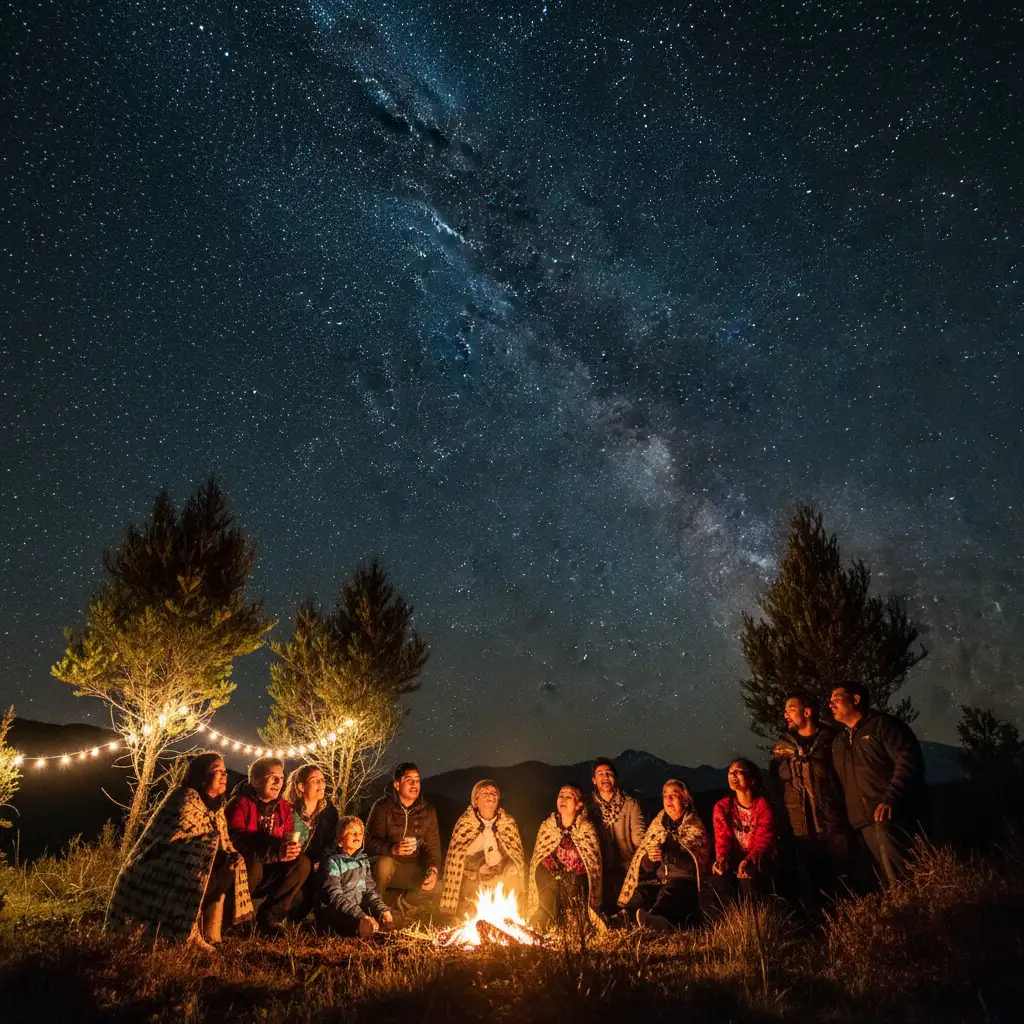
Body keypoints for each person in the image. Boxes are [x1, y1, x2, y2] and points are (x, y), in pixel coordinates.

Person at [107, 752, 253, 950]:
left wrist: (230, 853)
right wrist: (214, 848)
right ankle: (173, 932)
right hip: (157, 869)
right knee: (200, 874)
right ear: (201, 778)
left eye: (225, 771)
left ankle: (203, 930)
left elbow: (223, 841)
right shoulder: (183, 798)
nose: (224, 775)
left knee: (228, 868)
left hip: (190, 868)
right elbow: (174, 843)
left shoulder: (217, 808)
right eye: (217, 771)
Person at [829, 681, 927, 885]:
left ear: (856, 699)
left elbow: (908, 761)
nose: (831, 705)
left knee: (903, 877)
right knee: (882, 881)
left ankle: (920, 911)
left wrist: (891, 797)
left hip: (890, 817)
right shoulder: (839, 742)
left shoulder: (883, 726)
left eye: (836, 699)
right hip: (861, 823)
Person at [770, 693, 850, 901]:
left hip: (834, 823)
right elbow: (776, 788)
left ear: (807, 712)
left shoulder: (833, 740)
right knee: (816, 882)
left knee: (844, 878)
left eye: (791, 709)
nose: (785, 714)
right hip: (801, 828)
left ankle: (853, 920)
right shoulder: (782, 748)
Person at [226, 755, 311, 934]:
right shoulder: (239, 804)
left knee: (302, 863)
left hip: (270, 868)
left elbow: (286, 837)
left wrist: (291, 850)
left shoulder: (283, 807)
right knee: (251, 864)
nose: (278, 782)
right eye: (272, 777)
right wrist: (275, 850)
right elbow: (237, 842)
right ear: (256, 782)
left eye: (281, 777)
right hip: (241, 872)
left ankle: (269, 918)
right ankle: (238, 921)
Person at [618, 778, 709, 931]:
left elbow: (694, 864)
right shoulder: (658, 825)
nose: (669, 799)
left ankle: (658, 922)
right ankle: (623, 918)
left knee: (671, 894)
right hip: (660, 880)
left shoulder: (694, 825)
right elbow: (647, 867)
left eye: (674, 795)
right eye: (665, 795)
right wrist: (650, 857)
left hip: (683, 882)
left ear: (686, 801)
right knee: (642, 892)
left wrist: (668, 854)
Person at [440, 779, 526, 918]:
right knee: (471, 915)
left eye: (493, 793)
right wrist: (478, 865)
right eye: (485, 793)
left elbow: (515, 854)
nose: (490, 796)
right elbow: (457, 857)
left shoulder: (507, 822)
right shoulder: (465, 823)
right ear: (476, 800)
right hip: (473, 875)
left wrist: (509, 866)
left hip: (501, 873)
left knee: (513, 884)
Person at [365, 762, 442, 916]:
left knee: (440, 885)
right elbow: (369, 842)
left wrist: (433, 869)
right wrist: (392, 849)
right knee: (383, 864)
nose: (414, 785)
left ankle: (402, 903)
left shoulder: (427, 811)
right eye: (409, 780)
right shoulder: (382, 807)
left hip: (413, 868)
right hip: (388, 867)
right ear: (397, 784)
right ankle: (376, 913)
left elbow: (433, 846)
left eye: (417, 780)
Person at [527, 785, 603, 931]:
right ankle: (547, 918)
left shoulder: (586, 828)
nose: (563, 799)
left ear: (578, 804)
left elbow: (592, 863)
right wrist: (556, 870)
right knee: (545, 883)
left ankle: (573, 917)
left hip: (576, 882)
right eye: (561, 795)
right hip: (553, 880)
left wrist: (570, 873)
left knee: (577, 920)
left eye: (569, 796)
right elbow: (540, 856)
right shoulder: (548, 826)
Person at [705, 759, 778, 910]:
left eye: (739, 771)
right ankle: (729, 922)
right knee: (718, 878)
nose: (733, 775)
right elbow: (722, 839)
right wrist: (722, 859)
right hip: (735, 857)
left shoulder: (763, 806)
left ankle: (755, 920)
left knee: (749, 879)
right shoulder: (722, 807)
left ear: (752, 779)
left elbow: (764, 840)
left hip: (760, 858)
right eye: (731, 771)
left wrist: (750, 860)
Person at [315, 815, 395, 937]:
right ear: (340, 840)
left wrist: (382, 910)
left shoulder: (363, 861)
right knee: (354, 922)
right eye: (351, 832)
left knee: (391, 916)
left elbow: (370, 891)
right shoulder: (333, 862)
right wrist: (360, 915)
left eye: (359, 833)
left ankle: (379, 927)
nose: (357, 835)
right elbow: (335, 896)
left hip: (359, 909)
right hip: (339, 911)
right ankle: (365, 929)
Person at [587, 757, 646, 915]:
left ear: (615, 778)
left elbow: (640, 837)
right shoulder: (588, 807)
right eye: (600, 774)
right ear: (594, 780)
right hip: (598, 868)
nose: (605, 777)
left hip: (626, 867)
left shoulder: (630, 804)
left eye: (609, 773)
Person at [282, 763, 339, 922]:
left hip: (317, 866)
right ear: (301, 786)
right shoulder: (288, 811)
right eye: (315, 781)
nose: (321, 784)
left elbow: (332, 843)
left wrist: (322, 860)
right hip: (293, 865)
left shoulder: (329, 813)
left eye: (322, 780)